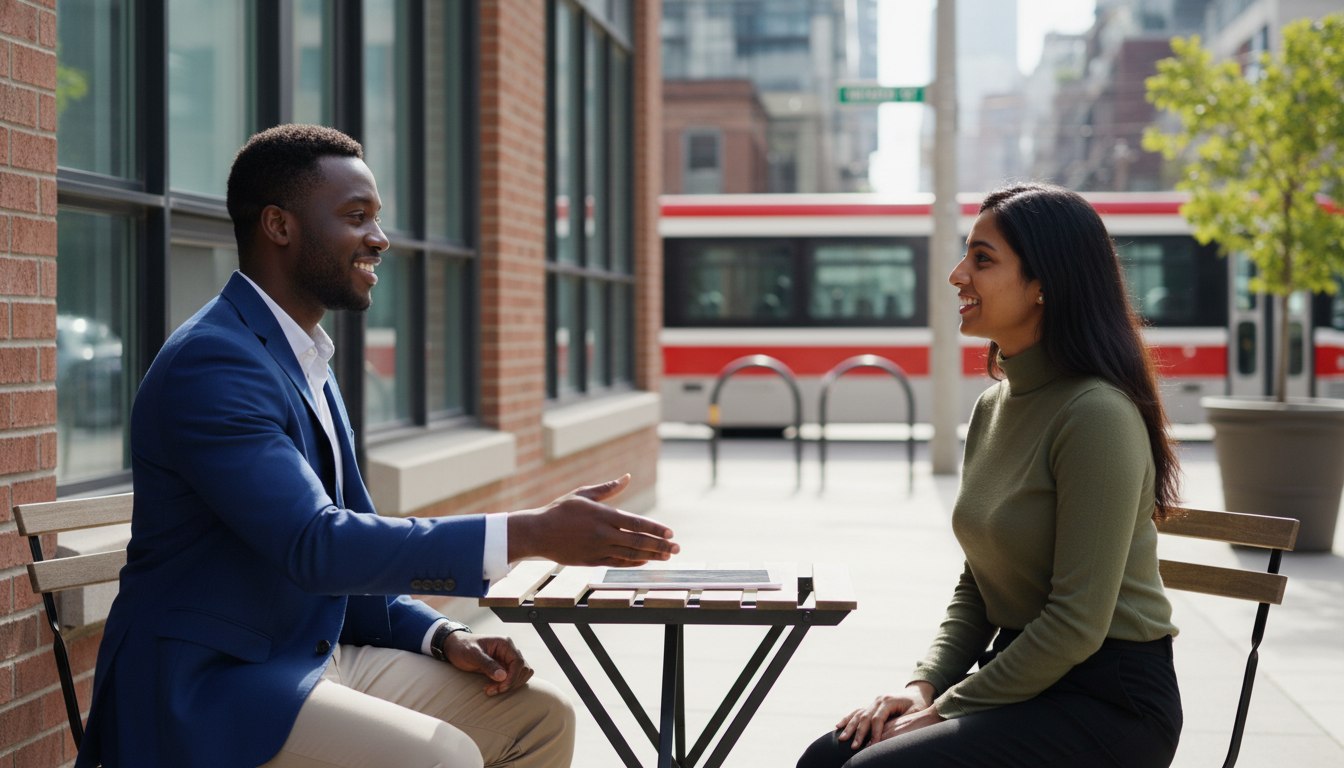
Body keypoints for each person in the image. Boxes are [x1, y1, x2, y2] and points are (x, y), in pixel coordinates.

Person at [75, 124, 680, 768]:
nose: (379, 238)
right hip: (211, 684)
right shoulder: (215, 363)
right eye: (355, 216)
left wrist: (439, 634)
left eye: (378, 217)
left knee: (538, 720)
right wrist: (528, 532)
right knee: (441, 756)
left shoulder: (303, 357)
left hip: (311, 656)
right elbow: (318, 545)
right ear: (279, 225)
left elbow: (353, 542)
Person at [797, 183, 1183, 767]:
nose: (957, 275)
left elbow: (1077, 621)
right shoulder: (994, 406)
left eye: (983, 259)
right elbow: (980, 583)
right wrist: (923, 685)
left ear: (1044, 284)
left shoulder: (1096, 414)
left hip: (1108, 703)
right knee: (827, 759)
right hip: (1024, 679)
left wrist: (944, 710)